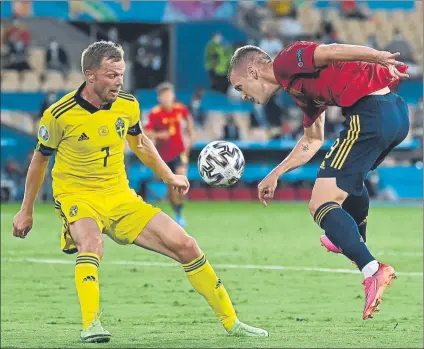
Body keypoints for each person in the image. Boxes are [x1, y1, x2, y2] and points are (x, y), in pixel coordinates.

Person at [12, 41, 268, 343]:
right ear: (89, 75)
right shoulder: (59, 114)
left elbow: (141, 143)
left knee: (186, 245)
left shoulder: (127, 104)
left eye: (121, 74)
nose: (118, 81)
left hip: (120, 196)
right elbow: (40, 160)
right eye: (111, 75)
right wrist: (26, 209)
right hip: (76, 194)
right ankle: (91, 324)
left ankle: (232, 322)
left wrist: (169, 175)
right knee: (92, 243)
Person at [227, 41, 410, 320]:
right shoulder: (296, 88)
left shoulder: (287, 60)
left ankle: (372, 269)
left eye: (240, 87)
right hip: (394, 114)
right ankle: (348, 237)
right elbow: (312, 140)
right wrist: (275, 173)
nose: (242, 96)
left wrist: (377, 56)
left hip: (371, 114)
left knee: (320, 203)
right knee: (349, 183)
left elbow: (331, 51)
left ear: (252, 72)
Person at [144, 82, 195, 227]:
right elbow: (146, 131)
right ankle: (178, 211)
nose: (167, 98)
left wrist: (190, 142)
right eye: (164, 95)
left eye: (169, 95)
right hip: (163, 156)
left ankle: (180, 209)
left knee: (181, 178)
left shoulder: (180, 109)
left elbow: (190, 125)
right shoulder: (155, 113)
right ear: (159, 97)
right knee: (172, 190)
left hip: (179, 152)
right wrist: (159, 135)